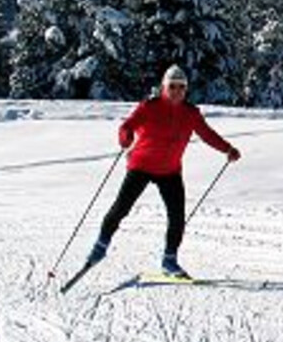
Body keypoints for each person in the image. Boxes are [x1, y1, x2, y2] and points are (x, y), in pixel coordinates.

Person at [85, 65, 241, 278]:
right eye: (172, 86)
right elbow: (126, 126)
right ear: (163, 87)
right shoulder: (149, 107)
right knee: (121, 208)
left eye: (181, 87)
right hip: (141, 166)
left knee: (177, 217)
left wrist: (228, 149)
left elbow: (207, 134)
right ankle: (99, 247)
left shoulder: (190, 113)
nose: (177, 91)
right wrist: (125, 137)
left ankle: (169, 261)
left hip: (170, 171)